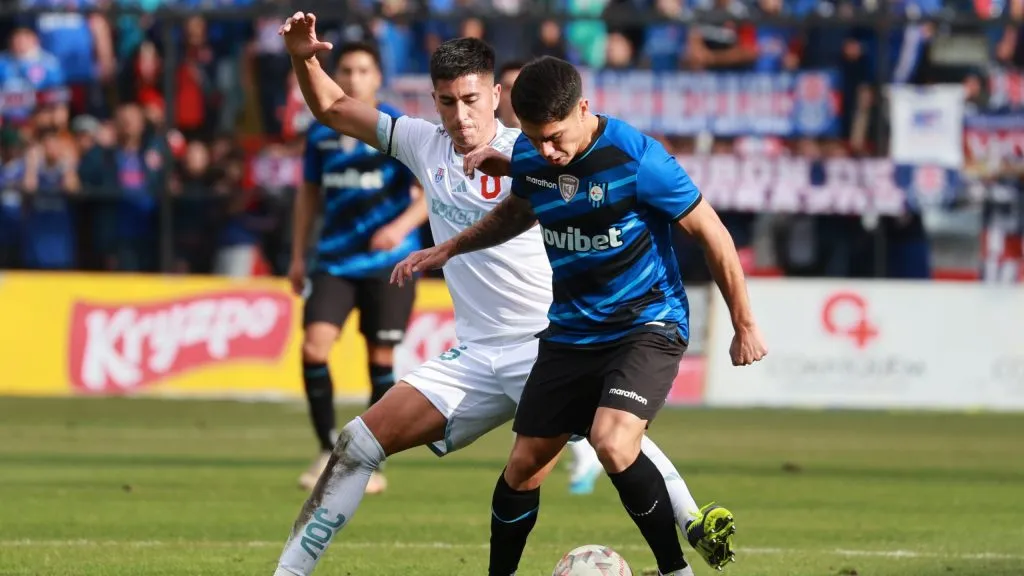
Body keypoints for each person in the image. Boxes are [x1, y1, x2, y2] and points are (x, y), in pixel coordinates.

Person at [273, 14, 726, 576]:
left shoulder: (541, 147)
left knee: (612, 438)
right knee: (358, 443)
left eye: (469, 99)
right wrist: (301, 56)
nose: (459, 117)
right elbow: (335, 109)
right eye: (445, 102)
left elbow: (608, 179)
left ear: (496, 94)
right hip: (478, 356)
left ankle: (689, 522)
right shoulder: (423, 143)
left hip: (551, 343)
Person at [392, 56, 767, 576]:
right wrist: (449, 248)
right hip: (570, 331)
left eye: (556, 138)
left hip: (646, 322)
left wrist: (744, 324)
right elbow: (517, 213)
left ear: (584, 109)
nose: (548, 152)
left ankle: (675, 570)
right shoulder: (532, 154)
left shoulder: (639, 160)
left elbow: (713, 234)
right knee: (523, 467)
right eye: (535, 139)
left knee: (613, 441)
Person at [289, 41, 427, 493]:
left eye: (362, 70)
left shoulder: (396, 130)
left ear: (377, 78)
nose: (352, 78)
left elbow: (432, 192)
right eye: (345, 69)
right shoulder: (320, 133)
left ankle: (369, 460)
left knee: (380, 359)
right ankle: (328, 449)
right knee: (314, 349)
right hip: (333, 260)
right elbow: (308, 195)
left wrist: (400, 226)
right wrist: (297, 254)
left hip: (389, 263)